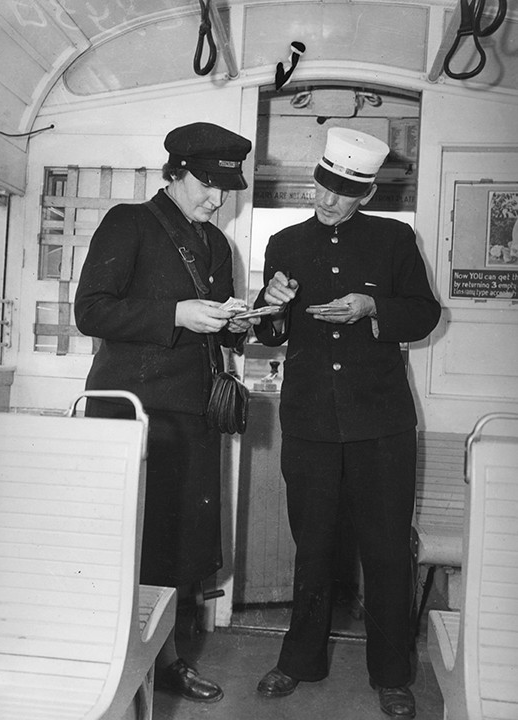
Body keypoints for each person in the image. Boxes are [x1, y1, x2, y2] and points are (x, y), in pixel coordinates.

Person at [253, 127, 441, 718]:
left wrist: (374, 307)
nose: (328, 200)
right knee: (312, 547)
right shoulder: (283, 243)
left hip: (381, 424)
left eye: (342, 192)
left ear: (365, 194)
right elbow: (266, 332)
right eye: (322, 186)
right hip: (310, 420)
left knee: (386, 548)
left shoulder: (394, 240)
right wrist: (274, 304)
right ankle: (299, 661)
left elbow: (426, 312)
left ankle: (392, 674)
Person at [75, 122, 255, 703]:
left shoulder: (218, 245)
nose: (217, 199)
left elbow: (222, 328)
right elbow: (91, 311)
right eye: (208, 184)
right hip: (131, 416)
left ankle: (167, 660)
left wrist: (247, 319)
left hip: (192, 416)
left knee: (178, 544)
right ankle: (106, 657)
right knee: (124, 543)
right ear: (174, 172)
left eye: (226, 189)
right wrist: (175, 315)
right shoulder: (129, 223)